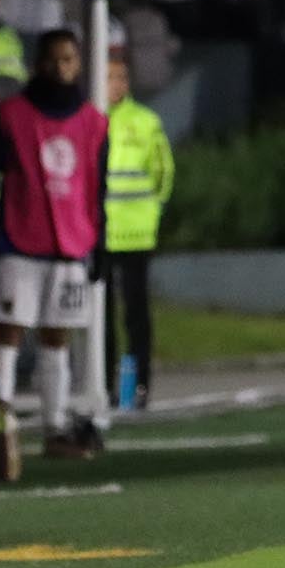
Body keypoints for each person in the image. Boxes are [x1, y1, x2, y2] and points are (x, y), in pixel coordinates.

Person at [0, 30, 109, 458]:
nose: (59, 67)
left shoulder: (94, 122)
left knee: (56, 339)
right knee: (8, 333)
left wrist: (100, 243)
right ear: (38, 63)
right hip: (19, 240)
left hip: (70, 246)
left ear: (78, 64)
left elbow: (97, 187)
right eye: (52, 59)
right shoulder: (11, 114)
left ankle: (55, 427)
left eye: (67, 59)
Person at [103, 58, 173, 410]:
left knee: (136, 314)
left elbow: (163, 172)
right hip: (99, 233)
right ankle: (103, 385)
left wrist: (151, 212)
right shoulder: (91, 119)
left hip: (135, 233)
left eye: (121, 77)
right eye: (109, 78)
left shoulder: (146, 121)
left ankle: (140, 385)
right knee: (101, 317)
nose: (116, 84)